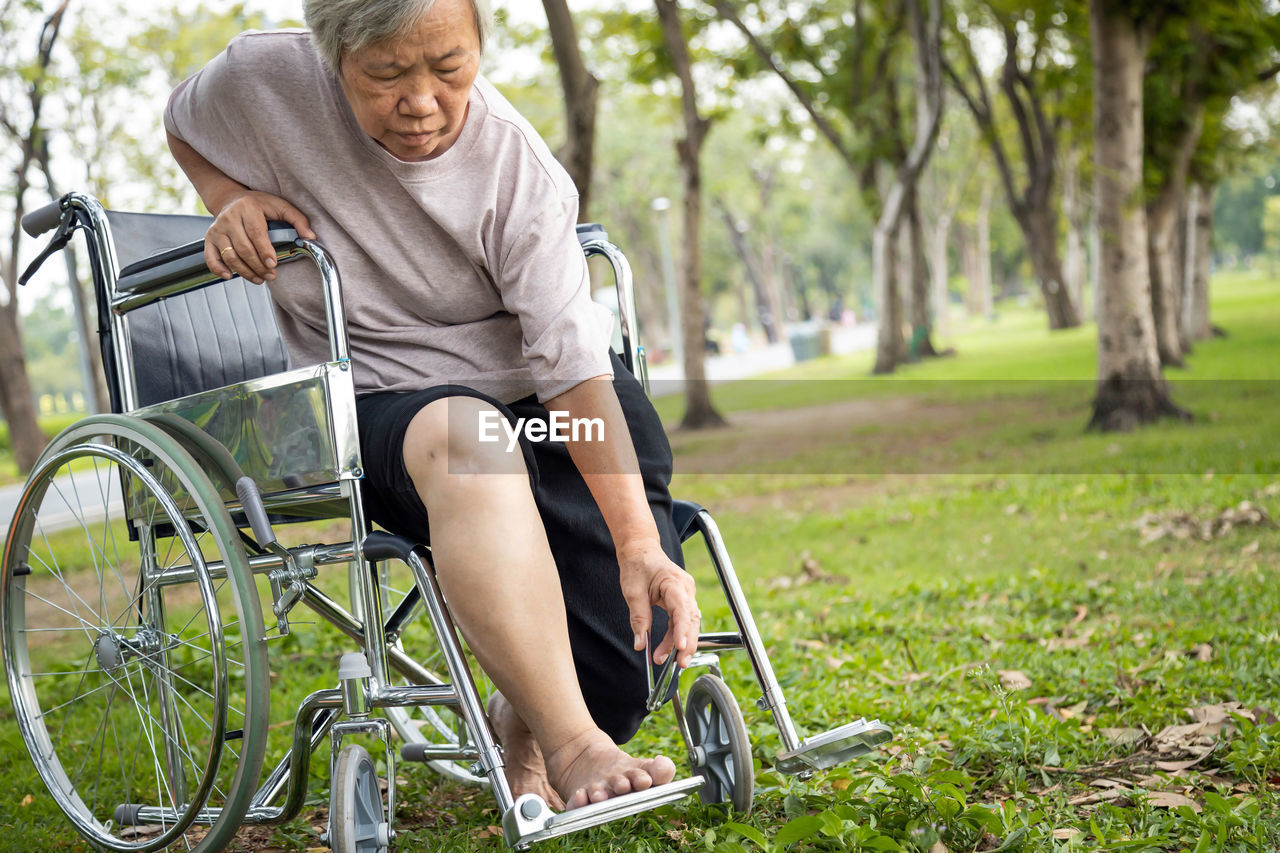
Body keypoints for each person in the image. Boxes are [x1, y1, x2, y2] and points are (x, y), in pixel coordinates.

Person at [164, 0, 699, 812]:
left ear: (479, 44)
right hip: (385, 402)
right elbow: (183, 122)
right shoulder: (260, 75)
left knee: (620, 686)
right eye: (387, 75)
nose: (422, 102)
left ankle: (532, 716)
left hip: (539, 398)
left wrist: (636, 544)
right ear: (331, 55)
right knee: (470, 437)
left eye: (450, 69)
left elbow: (572, 377)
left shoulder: (515, 169)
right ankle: (570, 741)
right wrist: (225, 193)